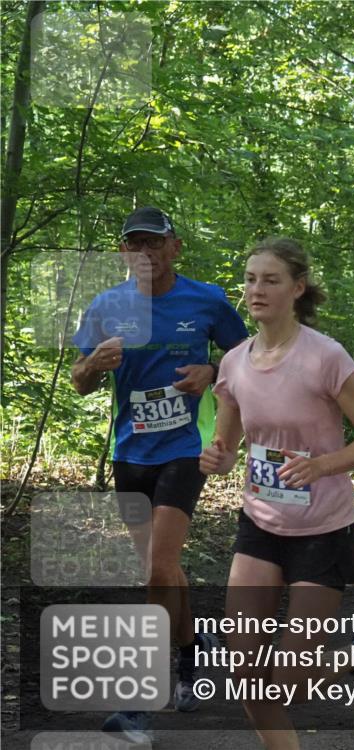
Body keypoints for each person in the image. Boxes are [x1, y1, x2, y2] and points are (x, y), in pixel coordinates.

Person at [200, 238, 354, 750]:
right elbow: (227, 440)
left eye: (270, 279)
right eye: (250, 279)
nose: (256, 290)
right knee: (245, 667)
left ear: (297, 288)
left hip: (323, 530)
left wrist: (320, 465)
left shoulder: (325, 356)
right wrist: (216, 457)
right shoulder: (234, 362)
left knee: (289, 682)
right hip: (260, 523)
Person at [71, 206, 248, 742]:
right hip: (130, 455)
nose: (143, 253)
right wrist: (91, 365)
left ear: (174, 247)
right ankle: (194, 649)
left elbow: (251, 359)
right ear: (122, 252)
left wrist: (213, 370)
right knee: (163, 571)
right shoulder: (105, 306)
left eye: (153, 243)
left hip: (181, 451)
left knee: (158, 568)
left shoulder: (207, 300)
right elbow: (79, 382)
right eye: (133, 245)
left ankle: (141, 702)